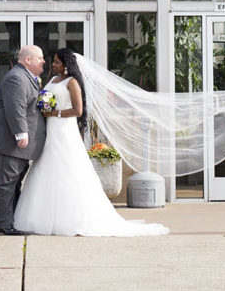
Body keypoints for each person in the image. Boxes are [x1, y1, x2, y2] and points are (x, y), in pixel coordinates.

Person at [13, 48, 169, 237]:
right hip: (50, 130)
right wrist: (44, 106)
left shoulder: (72, 83)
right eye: (52, 62)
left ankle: (70, 219)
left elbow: (78, 110)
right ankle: (42, 217)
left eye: (56, 62)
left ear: (65, 65)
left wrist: (56, 113)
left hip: (64, 130)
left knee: (68, 170)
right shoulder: (53, 80)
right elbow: (46, 99)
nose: (52, 65)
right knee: (45, 169)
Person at [0, 44, 47, 235]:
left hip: (14, 146)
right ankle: (3, 224)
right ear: (28, 60)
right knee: (6, 183)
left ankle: (10, 221)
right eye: (40, 58)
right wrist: (21, 134)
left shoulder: (26, 77)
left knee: (12, 183)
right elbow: (15, 108)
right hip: (6, 143)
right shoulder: (16, 78)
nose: (43, 61)